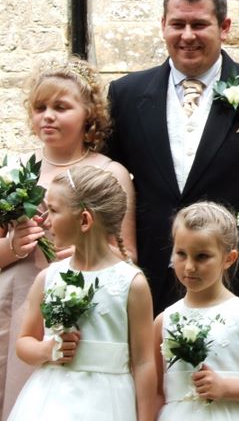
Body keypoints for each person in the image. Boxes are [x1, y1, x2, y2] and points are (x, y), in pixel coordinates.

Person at [107, 0, 239, 317]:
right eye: (177, 24)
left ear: (224, 27)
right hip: (149, 276)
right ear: (163, 25)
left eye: (199, 24)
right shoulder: (126, 94)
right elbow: (107, 182)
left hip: (238, 275)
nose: (187, 36)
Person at [0, 58, 136, 420]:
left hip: (80, 304)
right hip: (15, 298)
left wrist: (87, 253)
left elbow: (127, 254)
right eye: (39, 107)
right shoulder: (12, 169)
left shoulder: (110, 173)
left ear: (88, 114)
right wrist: (13, 245)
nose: (48, 116)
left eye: (61, 107)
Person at [8, 166, 155, 421]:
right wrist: (47, 350)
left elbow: (144, 362)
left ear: (85, 220)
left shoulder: (131, 283)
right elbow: (24, 343)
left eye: (53, 210)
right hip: (51, 402)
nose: (45, 221)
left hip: (108, 404)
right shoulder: (49, 277)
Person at [154, 201, 239, 420]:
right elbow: (156, 392)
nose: (189, 266)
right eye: (181, 254)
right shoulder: (163, 321)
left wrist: (226, 388)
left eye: (202, 256)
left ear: (228, 258)